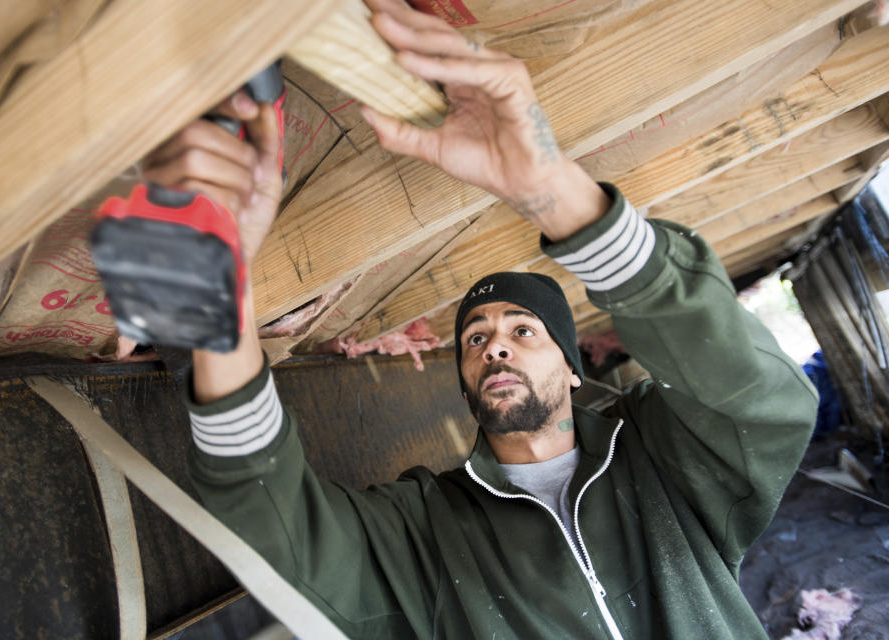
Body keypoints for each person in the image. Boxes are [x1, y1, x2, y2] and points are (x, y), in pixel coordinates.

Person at [143, 1, 819, 637]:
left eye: (524, 330)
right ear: (465, 383)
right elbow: (272, 520)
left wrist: (553, 189)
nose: (495, 346)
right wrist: (219, 302)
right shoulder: (426, 530)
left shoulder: (666, 466)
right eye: (475, 338)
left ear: (574, 369)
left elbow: (758, 399)